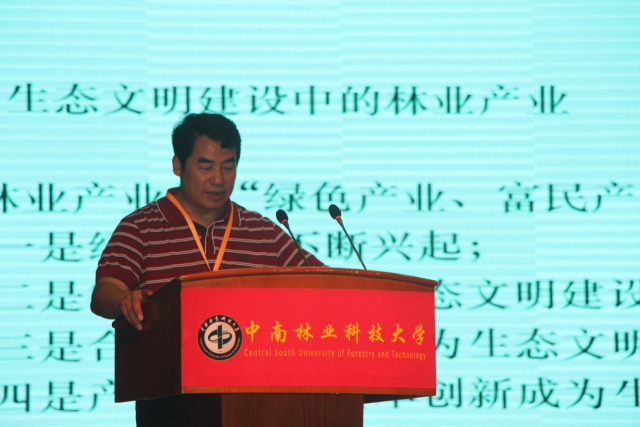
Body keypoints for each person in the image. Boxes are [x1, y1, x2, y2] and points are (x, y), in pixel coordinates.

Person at [90, 113, 322, 426]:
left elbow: (324, 284)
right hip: (170, 401)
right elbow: (105, 291)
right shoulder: (141, 227)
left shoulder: (262, 231)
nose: (218, 179)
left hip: (258, 399)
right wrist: (123, 300)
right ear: (178, 165)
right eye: (206, 166)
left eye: (228, 166)